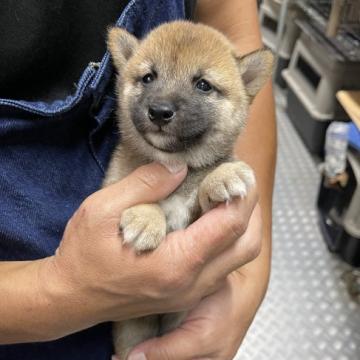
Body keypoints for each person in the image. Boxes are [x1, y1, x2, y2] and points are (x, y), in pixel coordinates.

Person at [0, 0, 276, 359]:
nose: (162, 103)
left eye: (203, 86)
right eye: (147, 77)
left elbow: (237, 31)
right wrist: (55, 291)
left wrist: (248, 277)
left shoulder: (229, 120)